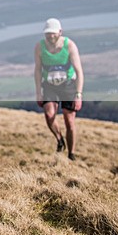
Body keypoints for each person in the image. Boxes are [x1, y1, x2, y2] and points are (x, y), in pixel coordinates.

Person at [34, 18, 84, 160]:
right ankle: (59, 139)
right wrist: (38, 92)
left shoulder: (70, 46)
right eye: (47, 33)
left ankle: (71, 154)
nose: (50, 36)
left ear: (60, 32)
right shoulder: (39, 47)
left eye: (53, 33)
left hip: (68, 85)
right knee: (49, 115)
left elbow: (79, 71)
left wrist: (78, 94)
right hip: (49, 85)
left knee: (69, 121)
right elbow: (37, 70)